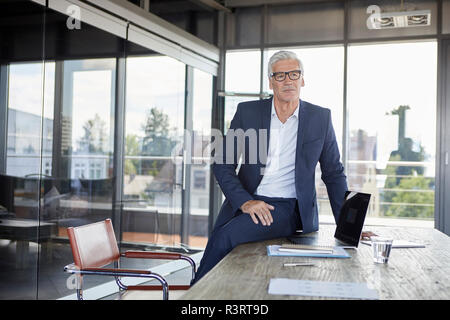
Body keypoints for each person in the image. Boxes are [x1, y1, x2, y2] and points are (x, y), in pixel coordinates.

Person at [192, 50, 364, 284]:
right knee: (220, 238)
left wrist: (347, 227)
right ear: (271, 82)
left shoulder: (319, 118)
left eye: (294, 74)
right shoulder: (248, 112)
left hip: (289, 207)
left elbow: (333, 173)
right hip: (249, 201)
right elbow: (223, 163)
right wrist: (244, 201)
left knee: (227, 236)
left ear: (302, 79)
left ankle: (194, 294)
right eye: (280, 76)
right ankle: (200, 293)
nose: (288, 80)